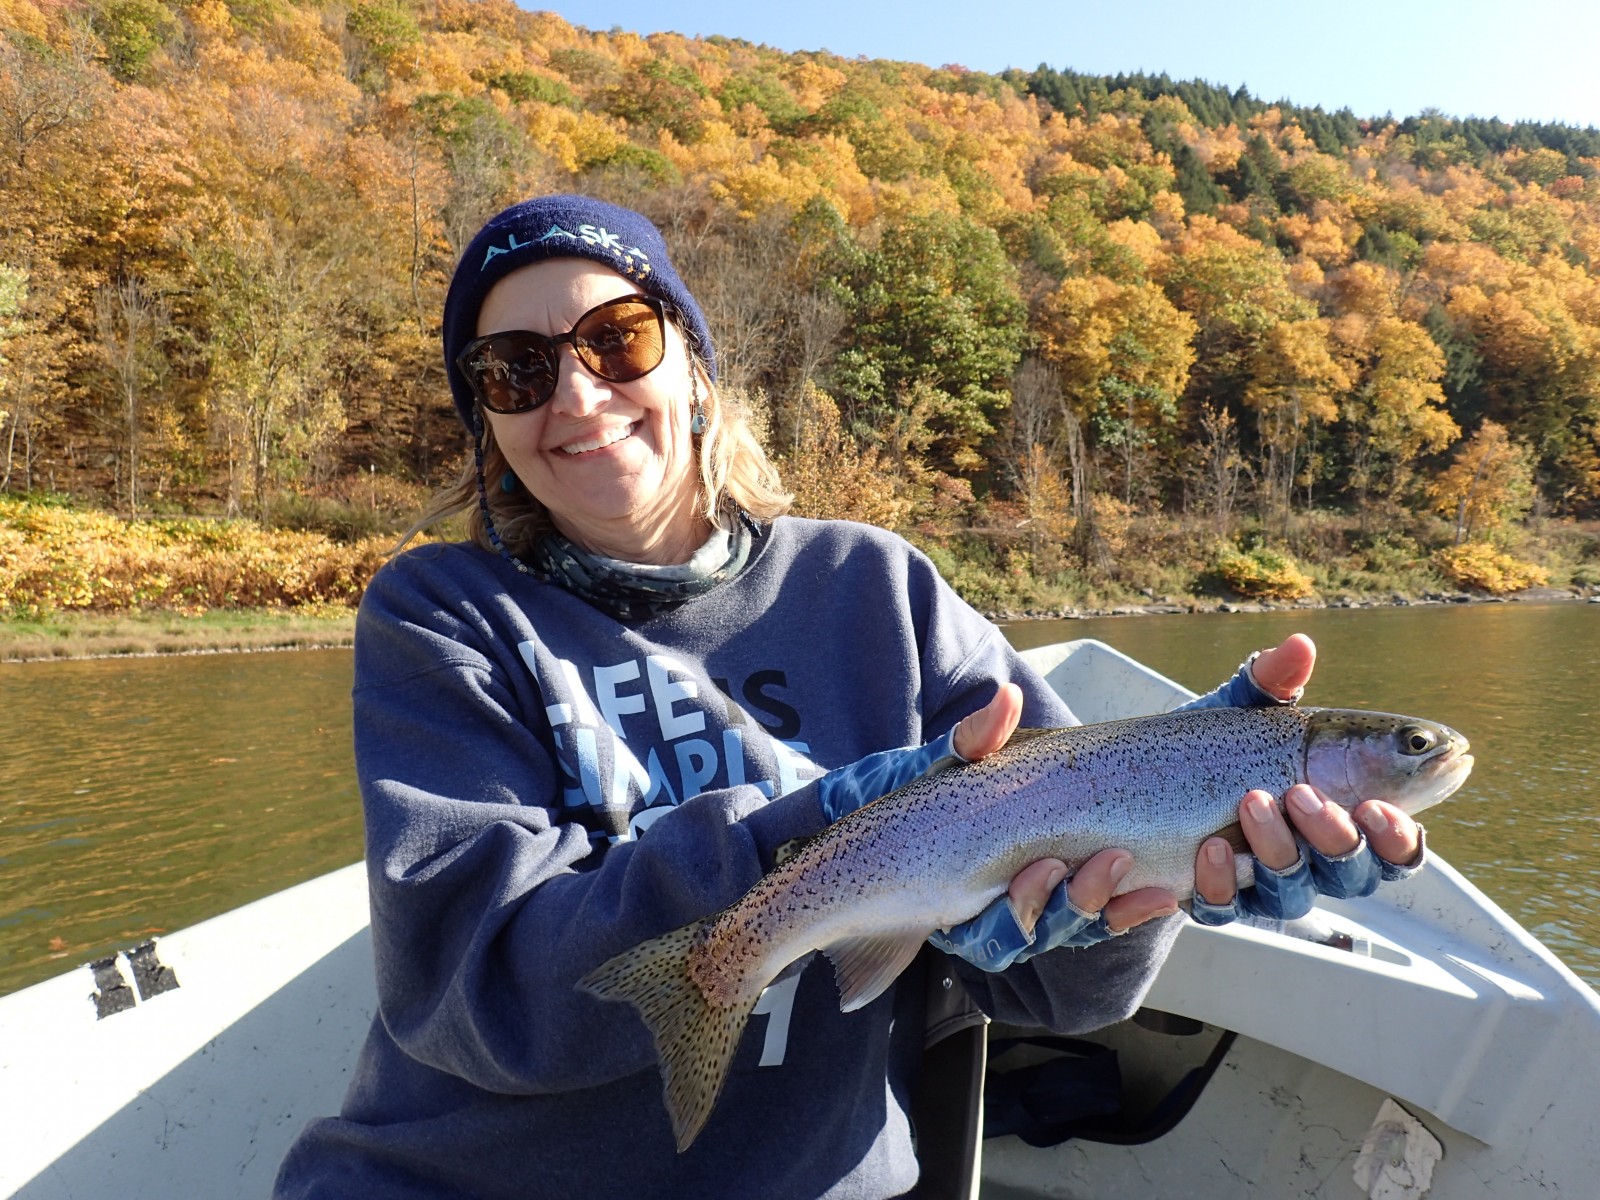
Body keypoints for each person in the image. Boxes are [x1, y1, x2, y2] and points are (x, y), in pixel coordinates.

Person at [273, 196, 1423, 1199]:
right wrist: (811, 833)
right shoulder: (443, 612)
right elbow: (485, 1000)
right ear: (487, 418)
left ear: (693, 365)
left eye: (617, 342)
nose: (576, 392)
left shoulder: (875, 589)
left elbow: (1064, 992)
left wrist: (1172, 844)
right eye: (515, 369)